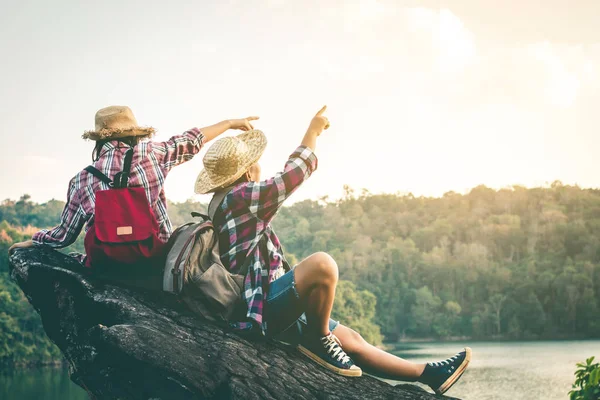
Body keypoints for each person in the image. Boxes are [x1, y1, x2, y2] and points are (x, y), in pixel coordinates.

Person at [194, 105, 471, 395]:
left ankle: (429, 374)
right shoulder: (239, 197)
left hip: (266, 299)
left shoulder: (222, 202)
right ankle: (318, 338)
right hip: (261, 307)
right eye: (255, 161)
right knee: (322, 265)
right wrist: (312, 132)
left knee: (352, 338)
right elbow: (291, 177)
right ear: (248, 170)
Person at [8, 105, 259, 266]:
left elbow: (64, 234)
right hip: (154, 260)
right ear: (134, 134)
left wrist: (34, 241)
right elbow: (191, 140)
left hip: (106, 266)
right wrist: (228, 123)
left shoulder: (82, 179)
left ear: (99, 139)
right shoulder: (154, 154)